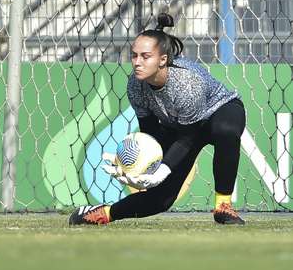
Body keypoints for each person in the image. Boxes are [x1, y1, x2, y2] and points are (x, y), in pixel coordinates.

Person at [69, 13, 246, 226]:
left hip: (218, 112)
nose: (137, 62)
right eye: (134, 56)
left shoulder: (186, 84)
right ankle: (104, 213)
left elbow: (190, 136)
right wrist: (138, 166)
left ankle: (223, 206)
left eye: (145, 56)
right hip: (182, 127)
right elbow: (151, 132)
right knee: (160, 200)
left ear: (163, 60)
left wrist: (163, 169)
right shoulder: (135, 86)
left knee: (225, 131)